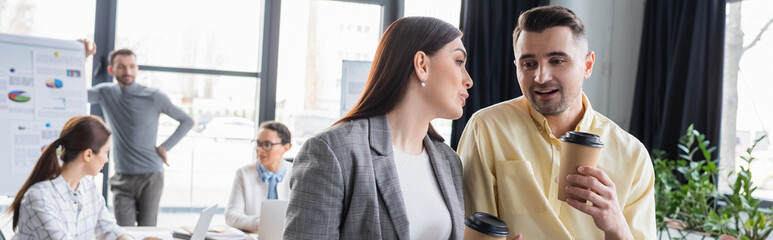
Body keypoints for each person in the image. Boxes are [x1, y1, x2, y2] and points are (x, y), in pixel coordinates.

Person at [457, 5, 655, 240]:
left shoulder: (632, 155)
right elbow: (469, 227)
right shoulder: (487, 128)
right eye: (528, 64)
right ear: (517, 67)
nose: (541, 77)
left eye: (557, 61)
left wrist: (616, 226)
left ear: (588, 65)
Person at [284, 16, 472, 239]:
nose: (468, 80)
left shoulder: (448, 161)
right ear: (422, 65)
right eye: (459, 62)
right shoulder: (332, 152)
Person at [87, 48, 194, 226]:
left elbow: (187, 121)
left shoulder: (154, 96)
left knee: (147, 231)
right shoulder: (105, 93)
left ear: (137, 68)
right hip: (122, 177)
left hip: (151, 176)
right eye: (121, 67)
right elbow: (74, 93)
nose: (127, 71)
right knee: (124, 232)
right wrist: (82, 58)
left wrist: (165, 146)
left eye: (132, 66)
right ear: (111, 70)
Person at [7, 115, 132, 240]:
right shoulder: (40, 197)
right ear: (88, 154)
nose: (106, 159)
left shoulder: (88, 187)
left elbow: (109, 228)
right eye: (105, 152)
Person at [225, 121, 293, 232]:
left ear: (286, 147)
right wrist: (263, 222)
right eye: (258, 143)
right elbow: (231, 216)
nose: (259, 150)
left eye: (267, 144)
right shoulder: (244, 173)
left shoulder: (296, 174)